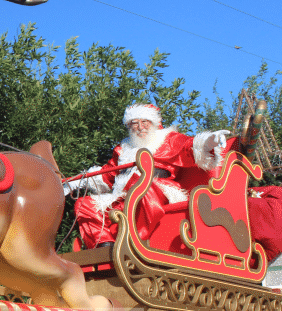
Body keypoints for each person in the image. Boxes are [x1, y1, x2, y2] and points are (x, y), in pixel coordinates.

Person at [66, 103, 232, 247]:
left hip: (156, 189)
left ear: (154, 123)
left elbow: (190, 147)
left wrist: (209, 141)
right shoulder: (123, 147)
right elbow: (106, 175)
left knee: (142, 185)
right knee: (83, 204)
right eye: (134, 123)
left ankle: (135, 241)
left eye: (144, 122)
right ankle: (103, 244)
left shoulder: (167, 139)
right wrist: (73, 183)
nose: (140, 127)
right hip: (123, 197)